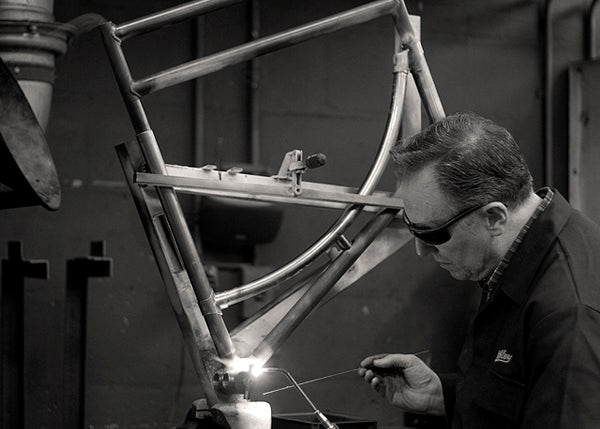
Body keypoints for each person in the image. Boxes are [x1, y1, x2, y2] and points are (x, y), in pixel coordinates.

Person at [358, 112, 600, 428]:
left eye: (433, 234)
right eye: (412, 230)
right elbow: (526, 397)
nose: (421, 249)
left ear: (494, 217)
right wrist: (439, 395)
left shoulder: (568, 311)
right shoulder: (518, 260)